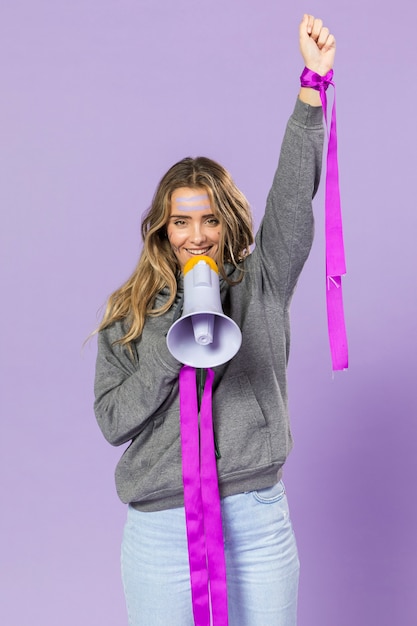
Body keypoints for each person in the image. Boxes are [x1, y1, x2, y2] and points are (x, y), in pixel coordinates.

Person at [94, 14, 336, 626]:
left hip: (254, 516)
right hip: (161, 531)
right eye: (181, 221)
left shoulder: (262, 282)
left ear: (228, 223)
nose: (196, 235)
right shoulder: (128, 313)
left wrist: (311, 87)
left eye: (209, 220)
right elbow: (114, 422)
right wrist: (170, 341)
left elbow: (290, 198)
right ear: (162, 227)